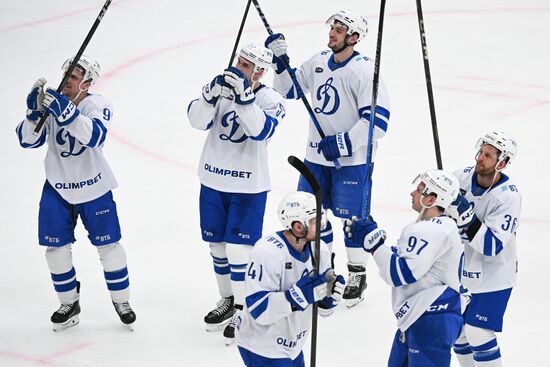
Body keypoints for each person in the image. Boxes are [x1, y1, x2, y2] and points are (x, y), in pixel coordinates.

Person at [265, 9, 390, 307]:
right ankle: (326, 272)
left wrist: (344, 143)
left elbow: (378, 122)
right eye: (332, 27)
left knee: (352, 220)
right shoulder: (319, 61)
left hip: (353, 161)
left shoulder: (364, 71)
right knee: (312, 217)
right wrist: (281, 65)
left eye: (339, 29)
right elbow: (288, 90)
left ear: (354, 37)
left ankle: (357, 274)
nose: (332, 32)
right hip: (315, 159)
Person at [15, 55, 136, 331]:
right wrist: (33, 114)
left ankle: (122, 301)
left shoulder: (98, 104)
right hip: (58, 188)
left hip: (94, 187)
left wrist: (65, 112)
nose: (67, 78)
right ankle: (69, 303)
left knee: (109, 247)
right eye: (66, 73)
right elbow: (27, 140)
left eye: (74, 75)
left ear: (88, 82)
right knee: (55, 251)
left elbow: (95, 136)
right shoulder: (53, 103)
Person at [187, 43, 286, 343]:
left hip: (248, 185)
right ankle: (228, 298)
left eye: (245, 65)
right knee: (216, 246)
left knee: (239, 250)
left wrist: (244, 98)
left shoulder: (271, 98)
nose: (238, 68)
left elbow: (261, 131)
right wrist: (208, 95)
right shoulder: (221, 90)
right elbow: (195, 120)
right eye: (238, 62)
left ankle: (245, 308)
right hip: (213, 180)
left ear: (260, 72)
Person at [346, 169, 464, 366]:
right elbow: (409, 261)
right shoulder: (441, 226)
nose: (413, 193)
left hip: (431, 319)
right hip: (423, 316)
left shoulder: (428, 230)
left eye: (419, 190)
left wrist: (374, 244)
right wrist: (378, 241)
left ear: (431, 199)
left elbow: (400, 273)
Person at [236, 191, 345, 366]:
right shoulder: (268, 252)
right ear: (298, 226)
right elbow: (258, 309)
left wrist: (330, 297)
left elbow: (323, 310)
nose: (322, 225)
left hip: (293, 343)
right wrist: (297, 297)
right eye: (315, 221)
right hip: (261, 345)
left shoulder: (320, 250)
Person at [449, 131, 520, 367]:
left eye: (488, 155)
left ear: (502, 163)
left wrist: (466, 217)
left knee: (478, 332)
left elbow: (492, 246)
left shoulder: (508, 197)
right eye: (481, 152)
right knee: (457, 331)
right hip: (463, 272)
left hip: (495, 275)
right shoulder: (460, 177)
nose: (480, 158)